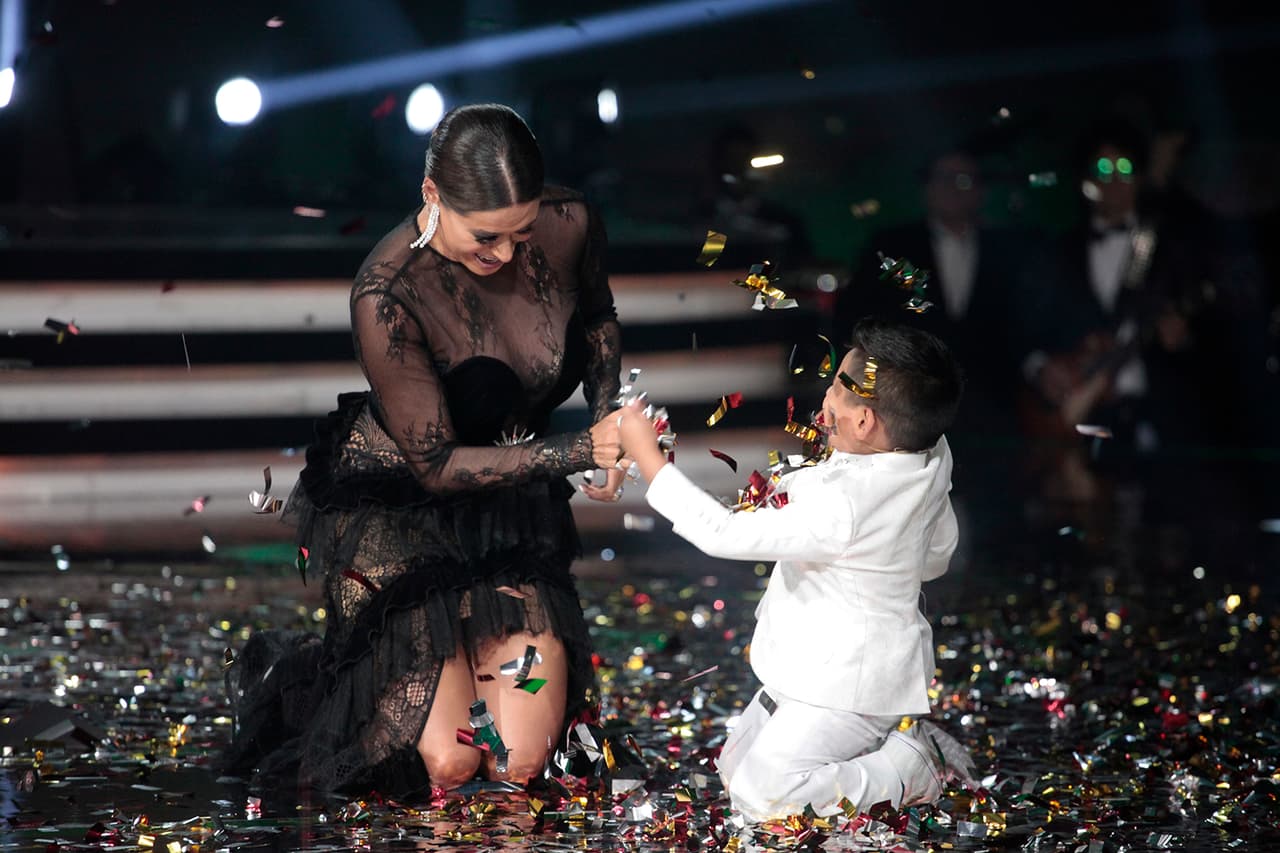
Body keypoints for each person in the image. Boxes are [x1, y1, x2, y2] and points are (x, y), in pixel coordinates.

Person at [225, 103, 626, 798]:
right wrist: (582, 448)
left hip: (507, 513)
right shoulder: (387, 291)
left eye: (520, 232)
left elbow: (596, 317)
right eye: (486, 237)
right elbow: (437, 466)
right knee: (451, 760)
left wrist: (607, 408)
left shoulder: (571, 223)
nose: (506, 254)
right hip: (402, 521)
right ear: (432, 194)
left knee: (521, 760)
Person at [616, 318, 972, 820]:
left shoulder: (843, 504)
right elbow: (937, 555)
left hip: (850, 688)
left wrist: (647, 456)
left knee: (764, 797)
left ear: (865, 421)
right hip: (816, 667)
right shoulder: (930, 452)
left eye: (835, 390)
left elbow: (722, 533)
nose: (825, 398)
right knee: (733, 771)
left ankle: (906, 766)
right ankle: (867, 754)